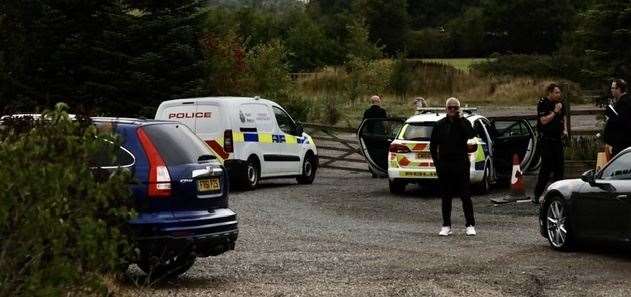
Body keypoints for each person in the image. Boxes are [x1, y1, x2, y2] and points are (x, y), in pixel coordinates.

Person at [430, 97, 476, 236]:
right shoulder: (439, 125)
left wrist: (461, 119)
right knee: (446, 196)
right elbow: (433, 146)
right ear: (446, 109)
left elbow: (470, 134)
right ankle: (446, 225)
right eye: (450, 107)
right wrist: (438, 164)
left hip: (461, 164)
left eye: (455, 108)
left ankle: (470, 225)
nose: (452, 110)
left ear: (459, 109)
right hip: (445, 165)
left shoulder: (464, 122)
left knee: (465, 195)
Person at [533, 83, 567, 203]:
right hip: (546, 139)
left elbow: (563, 118)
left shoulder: (561, 104)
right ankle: (537, 194)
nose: (559, 95)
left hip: (557, 139)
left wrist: (564, 130)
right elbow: (543, 121)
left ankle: (557, 193)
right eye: (556, 92)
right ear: (550, 93)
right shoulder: (543, 103)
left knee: (560, 167)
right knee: (546, 168)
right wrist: (554, 111)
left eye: (559, 92)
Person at [604, 79, 631, 157]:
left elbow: (620, 123)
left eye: (613, 88)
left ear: (619, 89)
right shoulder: (623, 101)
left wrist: (610, 114)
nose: (611, 90)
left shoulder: (624, 103)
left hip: (622, 147)